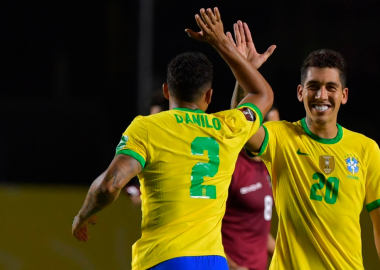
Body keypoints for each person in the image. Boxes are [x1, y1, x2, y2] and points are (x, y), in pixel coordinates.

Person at [71, 8, 274, 270]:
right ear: (209, 96)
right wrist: (224, 46)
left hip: (164, 259)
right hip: (214, 262)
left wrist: (83, 215)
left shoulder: (147, 127)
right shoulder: (227, 127)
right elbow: (262, 93)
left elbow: (109, 185)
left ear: (166, 91)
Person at [233, 22, 380, 269]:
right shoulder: (281, 137)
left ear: (343, 95)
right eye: (313, 87)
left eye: (331, 87)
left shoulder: (366, 149)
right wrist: (244, 71)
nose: (322, 95)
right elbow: (241, 127)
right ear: (300, 93)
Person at [222, 22, 277, 270]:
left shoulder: (268, 168)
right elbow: (205, 226)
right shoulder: (233, 165)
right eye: (269, 125)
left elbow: (257, 231)